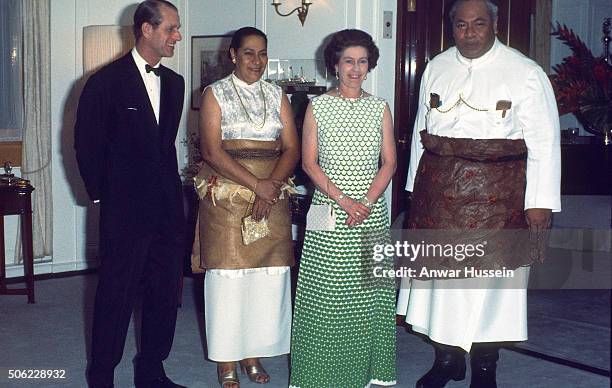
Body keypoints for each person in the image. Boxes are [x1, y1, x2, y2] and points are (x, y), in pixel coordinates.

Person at [396, 1, 561, 387]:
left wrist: (539, 203)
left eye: (478, 24)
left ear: (495, 24)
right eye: (461, 24)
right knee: (440, 286)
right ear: (451, 26)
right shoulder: (435, 68)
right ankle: (446, 360)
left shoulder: (525, 73)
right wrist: (411, 190)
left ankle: (485, 368)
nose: (469, 32)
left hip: (497, 199)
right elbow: (422, 134)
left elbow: (545, 143)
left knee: (491, 290)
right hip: (438, 196)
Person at [74, 1, 186, 387]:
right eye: (170, 28)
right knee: (115, 294)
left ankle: (151, 370)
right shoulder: (104, 82)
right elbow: (86, 146)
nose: (177, 36)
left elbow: (163, 147)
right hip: (123, 209)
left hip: (168, 207)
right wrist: (104, 197)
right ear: (146, 30)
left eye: (177, 28)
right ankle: (102, 374)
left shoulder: (175, 83)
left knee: (163, 291)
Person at [289, 29, 397, 388]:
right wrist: (345, 200)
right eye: (348, 61)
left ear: (370, 65)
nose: (355, 68)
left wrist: (364, 202)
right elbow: (309, 164)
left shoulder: (380, 107)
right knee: (326, 297)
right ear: (335, 65)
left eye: (362, 61)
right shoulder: (317, 106)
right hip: (327, 208)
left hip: (371, 213)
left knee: (370, 296)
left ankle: (369, 375)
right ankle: (320, 377)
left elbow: (389, 164)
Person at [192, 27, 299, 388]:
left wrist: (269, 191)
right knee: (229, 277)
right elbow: (211, 151)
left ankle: (253, 352)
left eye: (263, 53)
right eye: (249, 53)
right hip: (227, 194)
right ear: (233, 55)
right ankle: (226, 360)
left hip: (271, 195)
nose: (257, 61)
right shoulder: (214, 93)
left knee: (266, 277)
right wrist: (256, 186)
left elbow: (292, 148)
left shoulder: (278, 94)